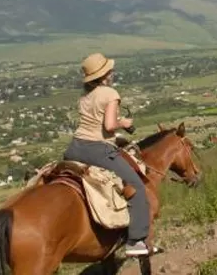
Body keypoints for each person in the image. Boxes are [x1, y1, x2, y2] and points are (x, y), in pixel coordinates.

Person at [62, 52, 151, 257]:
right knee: (136, 185)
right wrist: (124, 123)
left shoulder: (85, 97)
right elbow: (109, 125)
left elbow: (95, 125)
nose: (112, 72)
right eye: (109, 70)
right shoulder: (110, 93)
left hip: (75, 147)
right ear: (103, 76)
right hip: (97, 150)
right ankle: (135, 241)